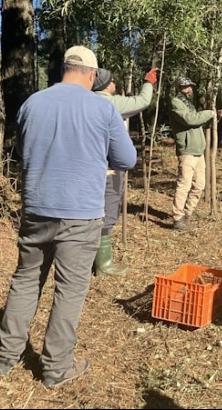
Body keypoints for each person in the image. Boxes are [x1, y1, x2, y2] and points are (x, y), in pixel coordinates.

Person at [0, 46, 137, 389]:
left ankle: (4, 357)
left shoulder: (32, 103)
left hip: (36, 209)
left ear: (64, 69)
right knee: (69, 290)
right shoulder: (101, 108)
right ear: (90, 74)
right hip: (81, 214)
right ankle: (56, 367)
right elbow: (126, 159)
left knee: (26, 280)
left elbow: (24, 149)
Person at [91, 66, 158, 276]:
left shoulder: (84, 101)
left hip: (88, 167)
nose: (115, 85)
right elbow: (142, 102)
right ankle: (104, 265)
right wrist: (148, 83)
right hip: (109, 168)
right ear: (105, 85)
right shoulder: (109, 102)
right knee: (108, 210)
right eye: (112, 82)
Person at [169, 76, 222, 231]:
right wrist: (210, 113)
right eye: (186, 87)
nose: (190, 89)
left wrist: (216, 117)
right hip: (187, 151)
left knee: (199, 185)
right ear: (179, 88)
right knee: (184, 184)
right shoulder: (176, 103)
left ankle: (187, 214)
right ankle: (177, 218)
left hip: (198, 151)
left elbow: (199, 122)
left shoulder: (189, 105)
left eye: (190, 86)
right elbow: (190, 120)